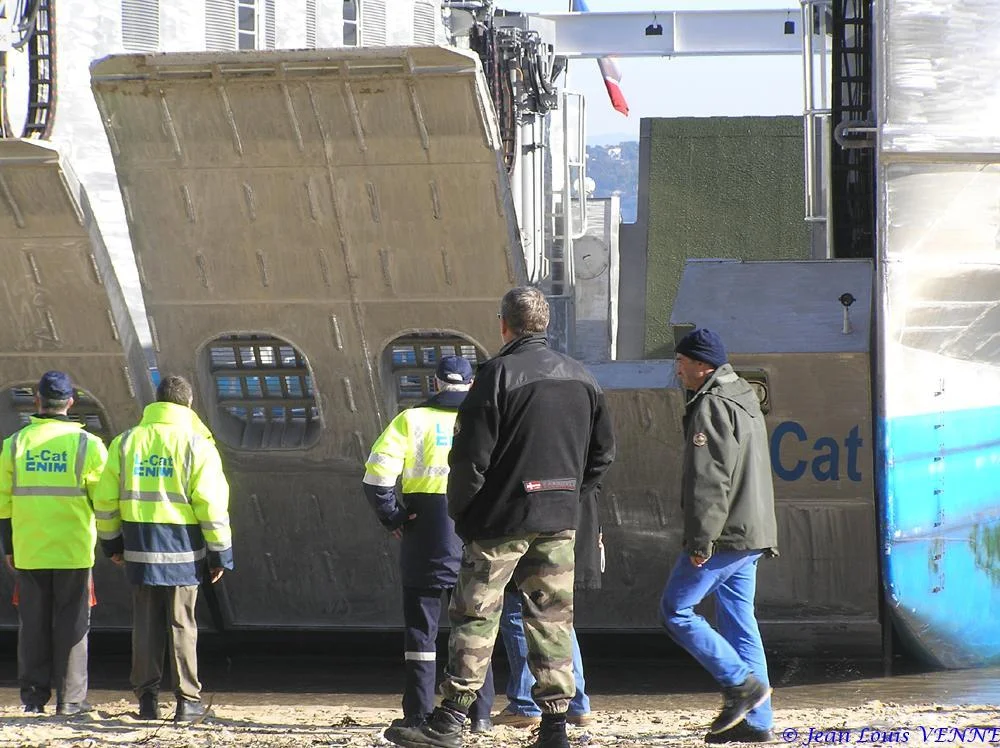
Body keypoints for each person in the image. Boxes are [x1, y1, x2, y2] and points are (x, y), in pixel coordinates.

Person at [385, 286, 616, 748]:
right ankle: (555, 726)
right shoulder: (583, 378)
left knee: (476, 615)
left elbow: (469, 459)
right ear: (545, 325)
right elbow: (602, 454)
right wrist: (570, 496)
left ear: (504, 325)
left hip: (500, 522)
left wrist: (463, 514)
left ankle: (450, 720)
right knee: (551, 619)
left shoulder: (495, 376)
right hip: (559, 518)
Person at [363, 355, 495, 733]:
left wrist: (394, 516)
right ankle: (479, 714)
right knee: (475, 624)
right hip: (475, 531)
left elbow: (376, 478)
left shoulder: (411, 420)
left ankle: (418, 712)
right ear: (471, 385)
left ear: (436, 384)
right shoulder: (483, 421)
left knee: (422, 628)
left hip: (427, 533)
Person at [660, 329, 778, 744]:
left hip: (726, 535)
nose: (678, 370)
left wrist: (700, 542)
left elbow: (709, 482)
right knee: (740, 623)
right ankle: (759, 723)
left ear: (702, 365)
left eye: (681, 363)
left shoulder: (710, 405)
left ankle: (739, 686)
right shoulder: (743, 395)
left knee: (676, 610)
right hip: (754, 530)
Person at [94, 374, 233, 723]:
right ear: (188, 405)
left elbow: (105, 502)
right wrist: (220, 554)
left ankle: (146, 700)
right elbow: (212, 506)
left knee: (144, 625)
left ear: (155, 402)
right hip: (184, 552)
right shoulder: (197, 446)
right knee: (181, 624)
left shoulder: (126, 443)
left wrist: (111, 542)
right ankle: (187, 701)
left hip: (139, 550)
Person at [0, 371, 108, 716]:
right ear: (71, 404)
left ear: (37, 402)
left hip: (30, 550)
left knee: (32, 626)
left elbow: (3, 504)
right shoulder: (88, 446)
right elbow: (104, 501)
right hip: (73, 550)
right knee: (73, 626)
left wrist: (9, 548)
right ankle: (71, 700)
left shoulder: (15, 444)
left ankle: (33, 699)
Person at [494, 483, 605, 728]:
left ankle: (525, 703)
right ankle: (576, 704)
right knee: (556, 615)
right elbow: (600, 461)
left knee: (519, 606)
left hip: (540, 517)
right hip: (571, 516)